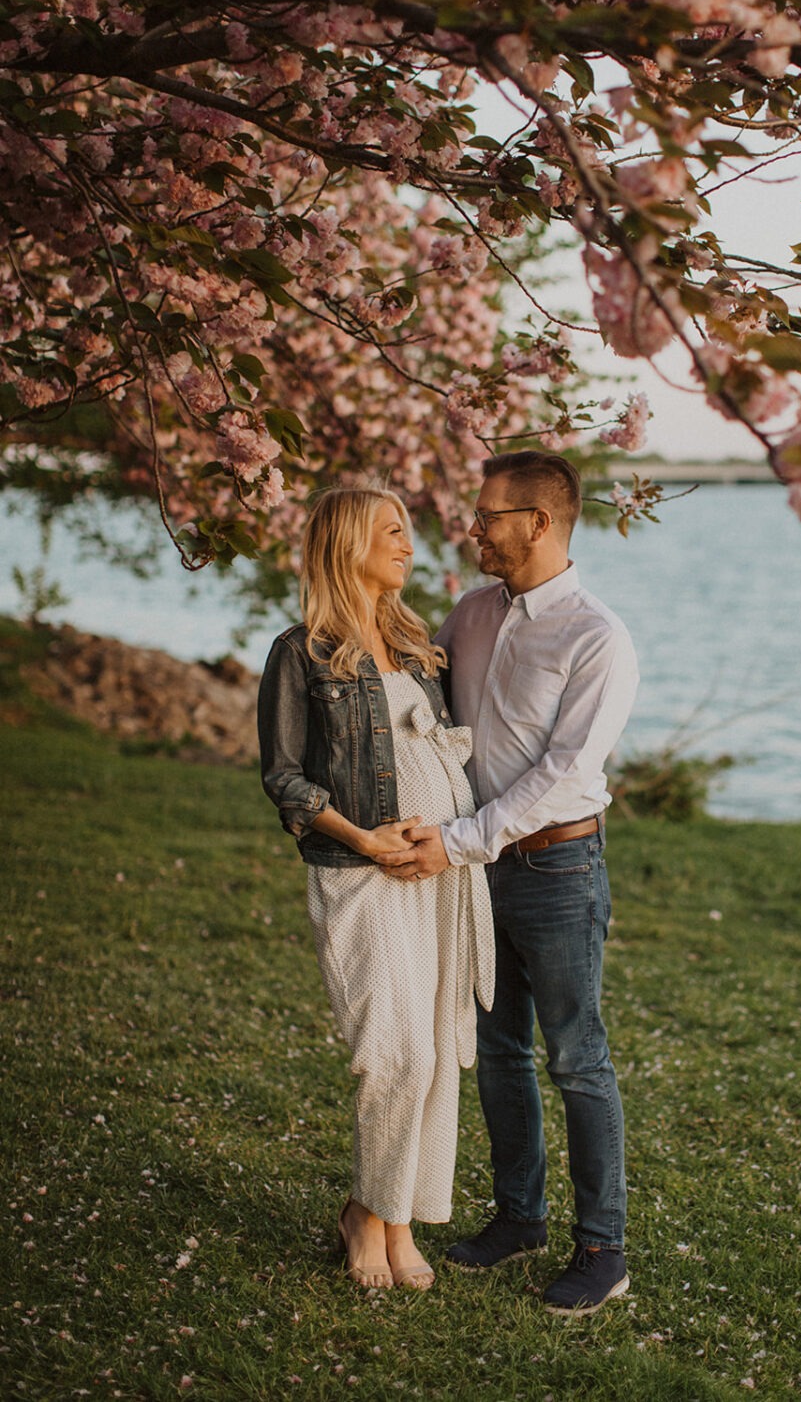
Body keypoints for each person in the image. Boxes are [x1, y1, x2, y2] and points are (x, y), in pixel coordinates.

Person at [392, 451, 639, 1315]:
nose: (474, 528)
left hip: (561, 868)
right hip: (478, 870)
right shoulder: (468, 614)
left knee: (576, 1059)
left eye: (489, 515)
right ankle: (518, 1218)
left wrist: (461, 841)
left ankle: (603, 1250)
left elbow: (565, 772)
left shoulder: (597, 637)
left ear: (540, 522)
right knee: (497, 1051)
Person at [257, 486, 493, 1292]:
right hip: (362, 877)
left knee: (432, 1054)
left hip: (438, 875)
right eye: (392, 531)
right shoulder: (300, 654)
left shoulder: (420, 648)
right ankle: (367, 1214)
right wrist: (363, 838)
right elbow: (283, 777)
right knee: (393, 1052)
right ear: (346, 541)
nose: (409, 544)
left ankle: (394, 1220)